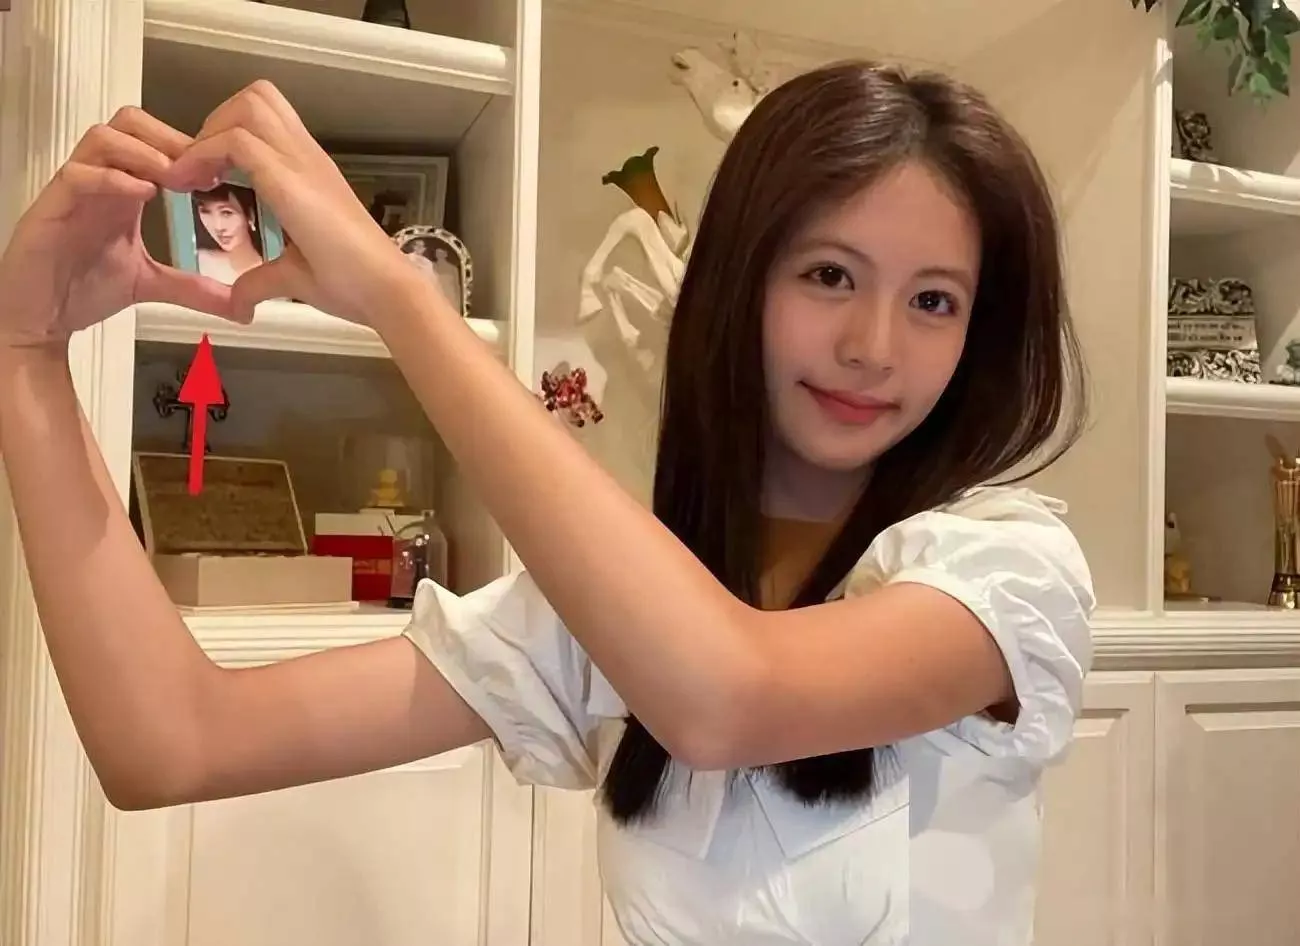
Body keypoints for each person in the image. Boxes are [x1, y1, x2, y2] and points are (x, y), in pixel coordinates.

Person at [0, 62, 1094, 946]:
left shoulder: (1005, 569)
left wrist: (400, 298)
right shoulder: (614, 615)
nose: (873, 345)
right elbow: (171, 740)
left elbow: (727, 696)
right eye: (830, 276)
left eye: (934, 300)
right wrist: (24, 354)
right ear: (740, 281)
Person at [192, 181, 264, 285]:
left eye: (227, 213)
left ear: (250, 215)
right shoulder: (197, 262)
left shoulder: (273, 267)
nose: (218, 227)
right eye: (205, 212)